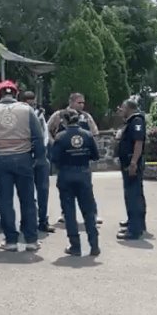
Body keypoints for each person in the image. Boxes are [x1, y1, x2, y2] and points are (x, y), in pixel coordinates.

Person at [0, 80, 45, 252]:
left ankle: (11, 241)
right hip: (24, 158)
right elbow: (38, 137)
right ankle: (31, 240)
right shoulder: (27, 110)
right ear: (15, 94)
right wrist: (38, 158)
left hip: (0, 160)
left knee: (5, 201)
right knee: (28, 200)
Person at [51, 109, 101, 256]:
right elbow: (95, 156)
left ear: (64, 121)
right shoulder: (87, 135)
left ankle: (75, 246)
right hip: (84, 174)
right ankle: (94, 245)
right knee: (88, 211)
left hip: (66, 174)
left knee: (69, 212)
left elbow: (54, 159)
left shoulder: (60, 137)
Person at [47, 92, 102, 224]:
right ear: (71, 102)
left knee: (87, 187)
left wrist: (89, 148)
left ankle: (92, 214)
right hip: (64, 158)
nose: (82, 105)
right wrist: (54, 144)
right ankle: (65, 213)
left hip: (81, 159)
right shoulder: (59, 115)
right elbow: (47, 130)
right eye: (79, 102)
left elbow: (94, 133)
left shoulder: (86, 116)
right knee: (65, 188)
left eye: (83, 102)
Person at [23, 91, 55, 233]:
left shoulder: (39, 114)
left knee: (43, 191)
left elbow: (45, 135)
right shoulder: (20, 115)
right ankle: (27, 222)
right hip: (25, 156)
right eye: (27, 100)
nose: (30, 103)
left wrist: (40, 151)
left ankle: (43, 220)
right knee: (26, 192)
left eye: (32, 100)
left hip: (40, 157)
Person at [116, 99, 148, 240]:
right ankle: (135, 223)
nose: (120, 110)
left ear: (129, 108)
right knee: (132, 194)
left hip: (132, 163)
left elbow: (138, 142)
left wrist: (134, 163)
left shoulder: (136, 121)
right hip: (128, 163)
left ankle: (134, 230)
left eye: (122, 108)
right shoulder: (130, 121)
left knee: (133, 195)